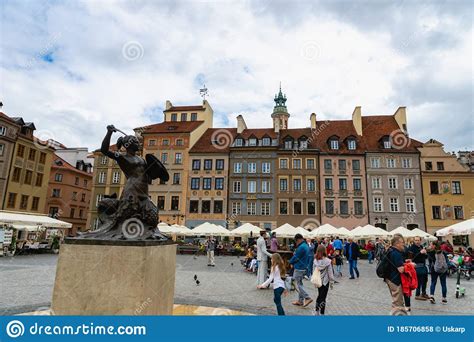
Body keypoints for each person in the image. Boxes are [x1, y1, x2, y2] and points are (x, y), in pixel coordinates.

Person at [384, 234, 408, 315]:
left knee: (396, 301)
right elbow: (401, 270)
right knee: (398, 303)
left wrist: (404, 263)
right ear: (397, 244)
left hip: (390, 278)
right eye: (402, 242)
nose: (403, 244)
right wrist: (411, 265)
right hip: (395, 280)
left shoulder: (391, 250)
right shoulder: (396, 253)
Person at [289, 234, 313, 307]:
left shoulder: (301, 247)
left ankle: (307, 297)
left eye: (296, 242)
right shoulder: (306, 246)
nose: (296, 243)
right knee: (300, 283)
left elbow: (296, 257)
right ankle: (300, 301)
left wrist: (290, 262)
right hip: (304, 267)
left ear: (298, 240)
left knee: (297, 284)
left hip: (299, 267)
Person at [313, 245, 335, 315]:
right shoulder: (328, 261)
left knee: (319, 295)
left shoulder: (315, 261)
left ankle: (317, 311)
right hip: (325, 282)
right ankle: (322, 313)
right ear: (324, 251)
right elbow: (330, 273)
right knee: (323, 297)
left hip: (318, 281)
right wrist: (331, 282)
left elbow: (313, 271)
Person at [408, 236, 429, 300]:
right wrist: (420, 253)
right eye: (416, 240)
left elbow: (425, 257)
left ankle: (423, 293)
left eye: (418, 240)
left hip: (423, 265)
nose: (417, 242)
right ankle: (417, 295)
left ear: (420, 241)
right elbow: (412, 258)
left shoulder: (421, 247)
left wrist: (425, 253)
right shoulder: (411, 248)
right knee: (419, 281)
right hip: (417, 266)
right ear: (414, 241)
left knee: (425, 280)